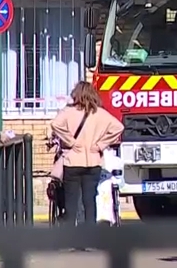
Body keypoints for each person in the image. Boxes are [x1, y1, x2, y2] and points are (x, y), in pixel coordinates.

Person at [50, 81, 123, 230]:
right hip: (93, 162)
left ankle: (69, 235)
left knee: (71, 202)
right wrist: (101, 144)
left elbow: (55, 124)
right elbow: (119, 127)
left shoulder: (68, 112)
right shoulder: (100, 113)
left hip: (72, 162)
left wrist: (70, 141)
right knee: (89, 201)